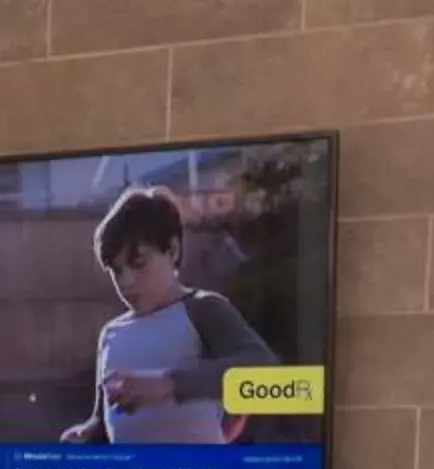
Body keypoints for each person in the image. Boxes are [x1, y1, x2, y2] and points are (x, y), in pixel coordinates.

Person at [59, 185, 276, 446]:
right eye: (116, 270)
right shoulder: (110, 334)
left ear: (172, 250)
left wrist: (168, 385)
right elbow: (104, 423)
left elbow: (266, 373)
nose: (126, 281)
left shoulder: (202, 309)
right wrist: (87, 433)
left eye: (138, 263)